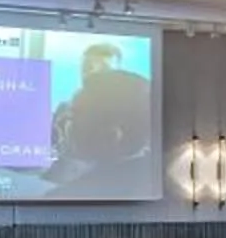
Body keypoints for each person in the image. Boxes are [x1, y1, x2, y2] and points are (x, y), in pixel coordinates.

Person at [46, 41, 153, 191]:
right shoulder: (63, 108)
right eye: (87, 67)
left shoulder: (141, 108)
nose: (92, 73)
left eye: (103, 69)